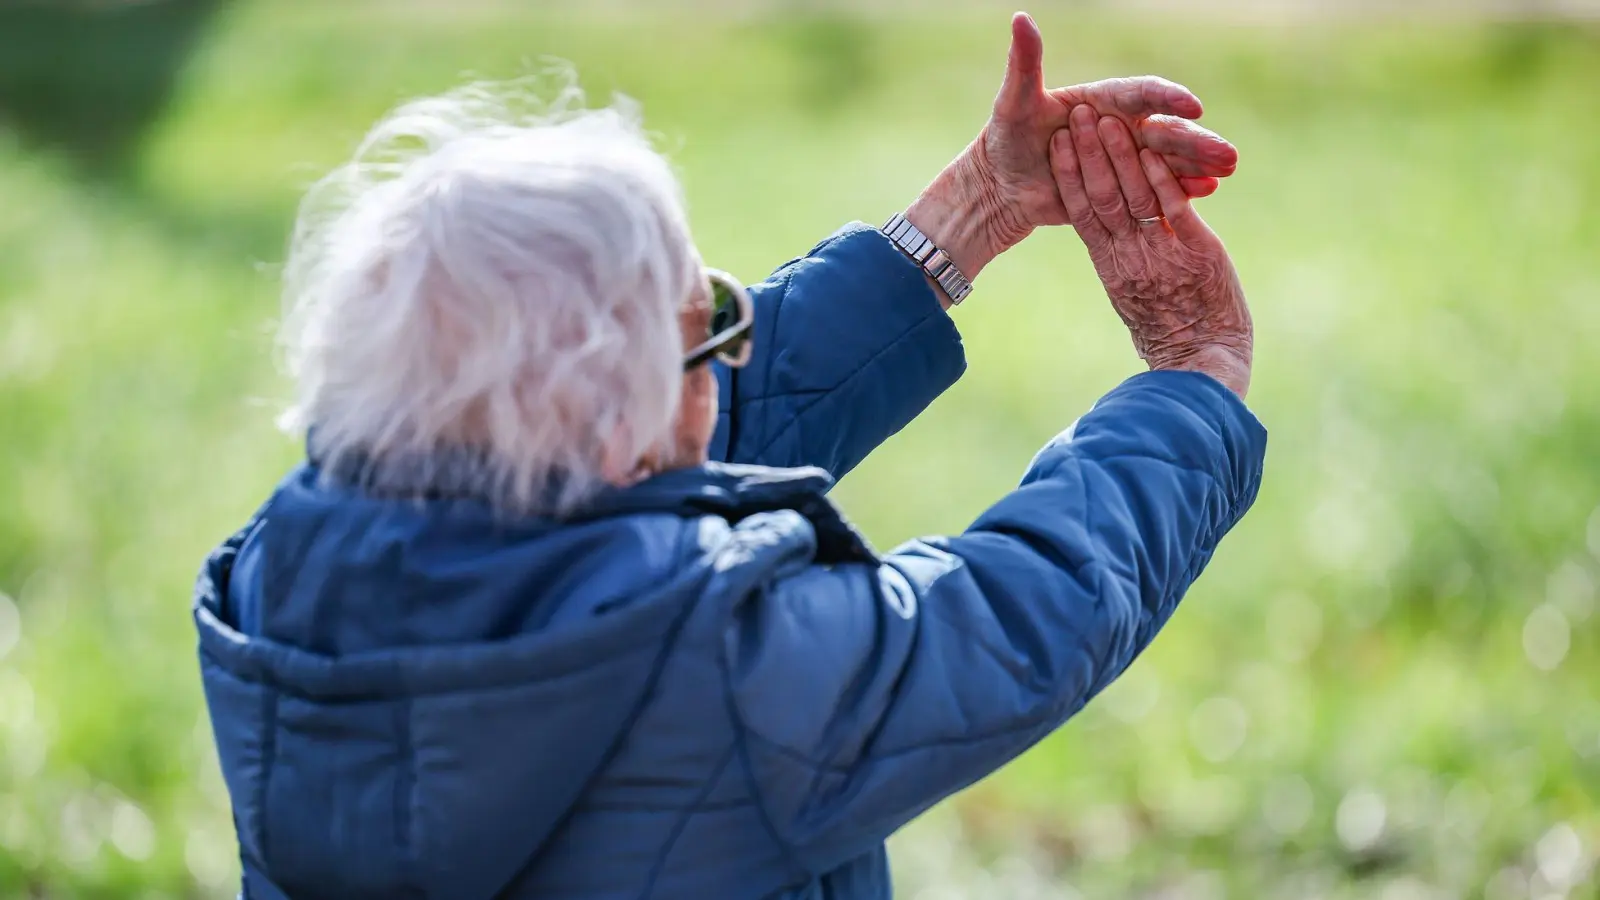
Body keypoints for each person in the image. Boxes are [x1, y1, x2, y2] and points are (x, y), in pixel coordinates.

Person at [193, 13, 1264, 900]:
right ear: (613, 419)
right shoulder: (730, 670)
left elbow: (649, 453)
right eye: (708, 323)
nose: (732, 348)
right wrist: (1193, 374)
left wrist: (981, 202)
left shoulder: (279, 577)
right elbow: (1020, 614)